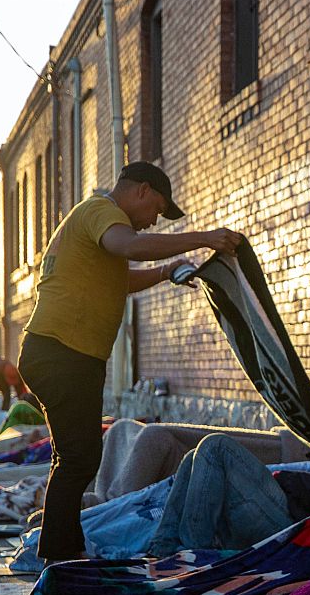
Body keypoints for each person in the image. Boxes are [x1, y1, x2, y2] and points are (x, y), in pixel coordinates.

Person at [17, 161, 241, 563]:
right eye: (157, 208)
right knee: (80, 457)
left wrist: (164, 271)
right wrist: (204, 238)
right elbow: (131, 247)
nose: (154, 221)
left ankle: (63, 548)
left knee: (73, 456)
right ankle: (61, 553)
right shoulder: (102, 212)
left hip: (59, 354)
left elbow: (121, 279)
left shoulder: (99, 227)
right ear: (140, 190)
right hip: (62, 353)